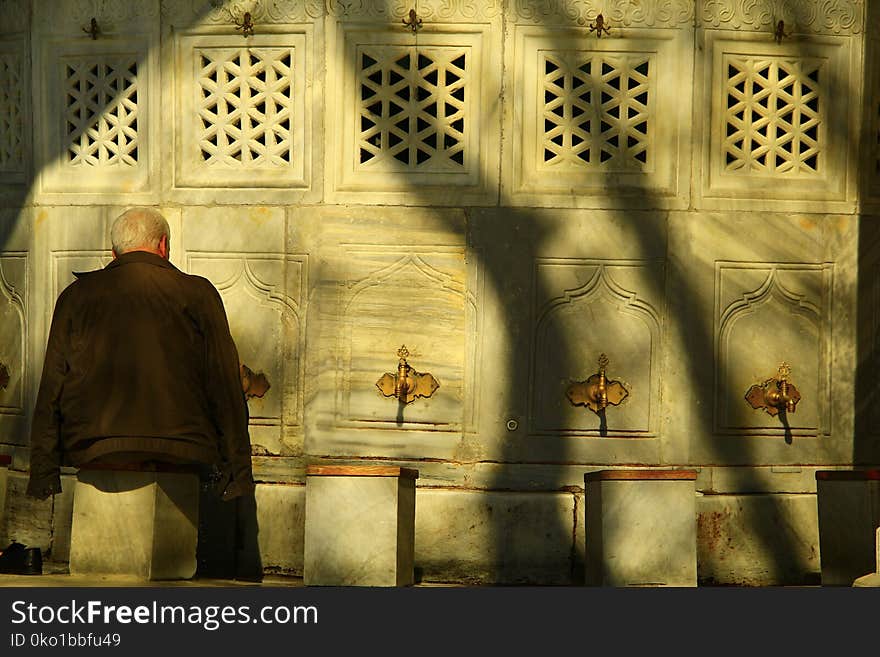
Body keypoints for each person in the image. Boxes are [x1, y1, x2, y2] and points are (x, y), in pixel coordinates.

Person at [26, 207, 254, 503]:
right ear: (162, 245)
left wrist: (43, 471)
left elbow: (51, 387)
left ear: (114, 252)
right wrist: (238, 471)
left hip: (94, 445)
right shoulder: (198, 293)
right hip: (183, 447)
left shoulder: (75, 296)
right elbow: (224, 384)